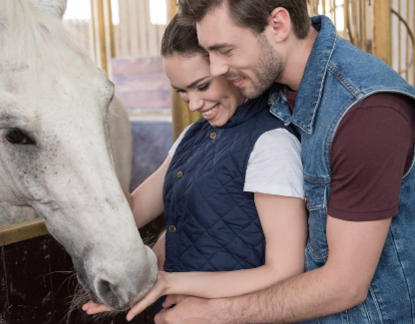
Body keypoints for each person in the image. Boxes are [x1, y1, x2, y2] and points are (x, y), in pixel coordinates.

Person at [151, 1, 415, 323]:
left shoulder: (367, 113)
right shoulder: (271, 84)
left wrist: (213, 313)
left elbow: (345, 286)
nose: (216, 67)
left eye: (226, 50)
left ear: (278, 25)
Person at [82, 14, 308, 321]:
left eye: (201, 86)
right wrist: (87, 155)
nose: (193, 104)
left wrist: (170, 282)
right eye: (182, 92)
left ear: (227, 67)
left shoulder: (270, 143)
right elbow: (132, 210)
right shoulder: (193, 135)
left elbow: (285, 270)